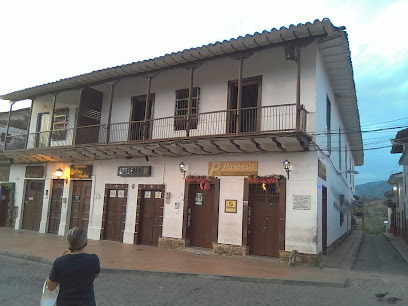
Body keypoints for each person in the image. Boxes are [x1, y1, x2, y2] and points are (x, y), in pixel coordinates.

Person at [47, 227, 100, 305]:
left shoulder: (60, 262)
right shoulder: (93, 259)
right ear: (85, 243)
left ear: (69, 242)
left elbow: (51, 287)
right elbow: (96, 275)